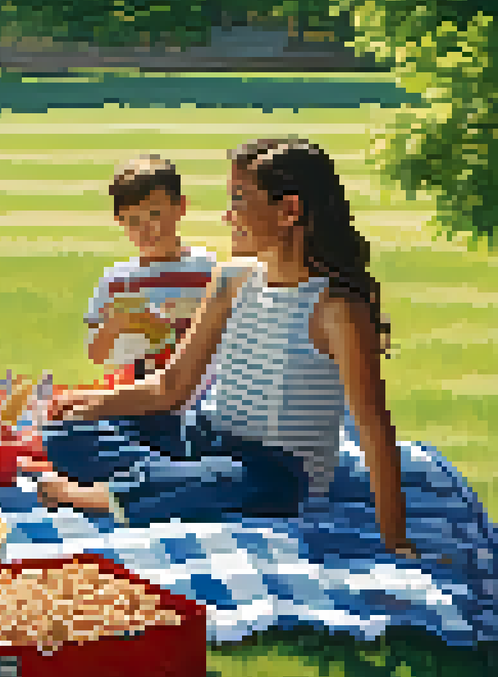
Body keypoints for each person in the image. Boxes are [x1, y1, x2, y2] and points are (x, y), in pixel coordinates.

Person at [36, 139, 415, 557]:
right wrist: (90, 402)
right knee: (65, 431)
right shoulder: (230, 279)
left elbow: (374, 431)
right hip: (203, 435)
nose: (226, 215)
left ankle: (104, 495)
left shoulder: (337, 308)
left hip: (278, 470)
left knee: (250, 483)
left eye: (239, 200)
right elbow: (172, 388)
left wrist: (396, 540)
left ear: (289, 211)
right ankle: (173, 485)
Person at [87, 156, 217, 387]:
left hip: (198, 395)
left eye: (155, 214)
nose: (148, 229)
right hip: (133, 394)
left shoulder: (210, 271)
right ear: (119, 220)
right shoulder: (116, 281)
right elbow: (96, 355)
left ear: (181, 207)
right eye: (134, 220)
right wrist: (115, 324)